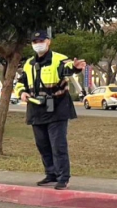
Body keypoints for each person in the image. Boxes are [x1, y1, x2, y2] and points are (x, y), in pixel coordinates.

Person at [14, 31, 86, 190]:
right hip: (36, 108)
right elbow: (21, 82)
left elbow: (67, 68)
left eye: (41, 40)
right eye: (35, 41)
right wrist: (22, 92)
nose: (38, 43)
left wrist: (75, 68)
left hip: (57, 108)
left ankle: (63, 177)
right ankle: (51, 174)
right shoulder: (29, 63)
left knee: (57, 145)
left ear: (48, 42)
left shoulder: (59, 59)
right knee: (43, 145)